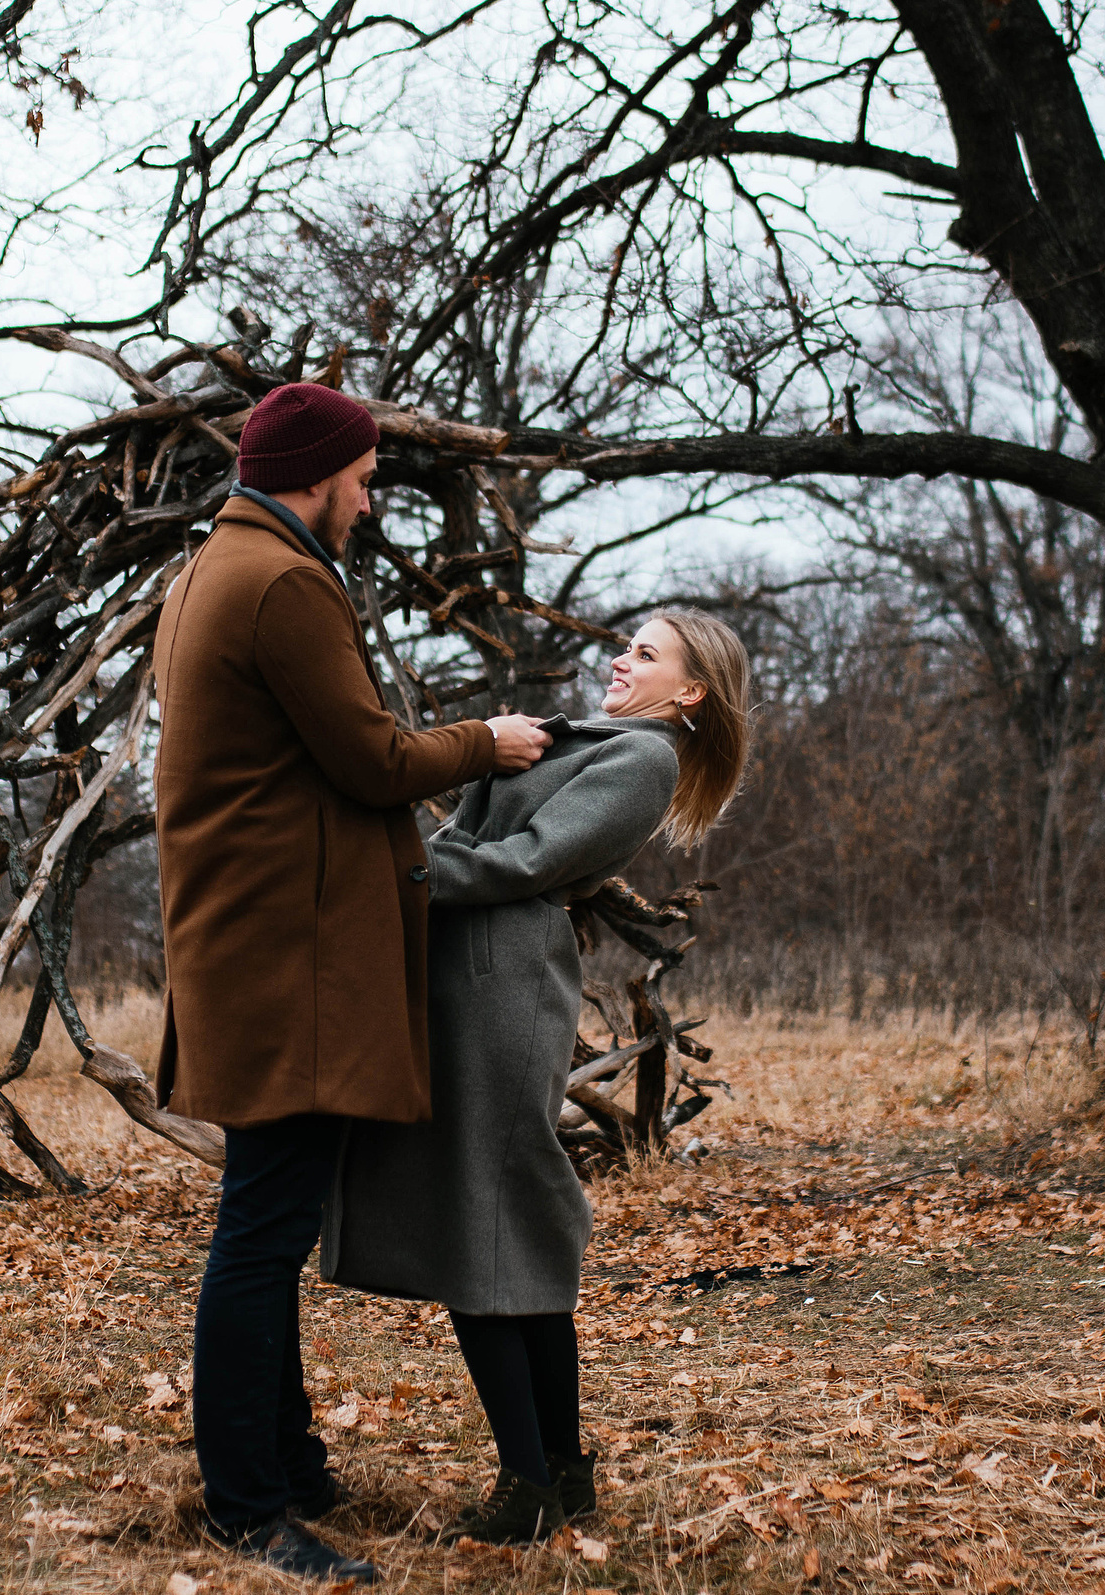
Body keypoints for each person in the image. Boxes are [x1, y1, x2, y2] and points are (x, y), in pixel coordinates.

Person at [151, 380, 556, 1583]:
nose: (370, 503)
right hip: (287, 960)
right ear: (319, 474)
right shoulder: (281, 580)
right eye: (365, 480)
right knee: (261, 1232)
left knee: (264, 1217)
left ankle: (290, 1463)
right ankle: (246, 1506)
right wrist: (489, 742)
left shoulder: (219, 568)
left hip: (260, 946)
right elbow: (373, 759)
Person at [323, 608, 752, 1544]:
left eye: (646, 654)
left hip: (502, 987)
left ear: (689, 693)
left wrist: (400, 871)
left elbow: (532, 860)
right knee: (492, 1221)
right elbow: (490, 836)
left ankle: (527, 1484)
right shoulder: (594, 736)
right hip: (468, 976)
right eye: (627, 644)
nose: (620, 658)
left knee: (485, 1225)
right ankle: (561, 1471)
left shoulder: (645, 757)